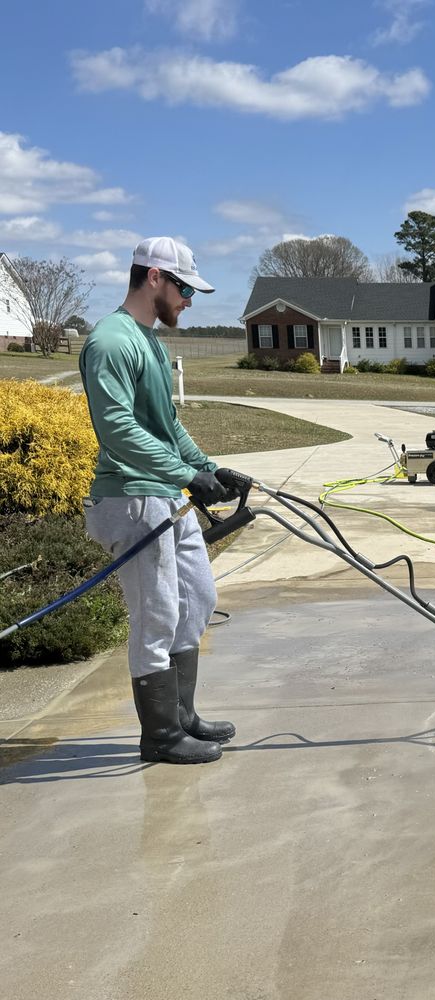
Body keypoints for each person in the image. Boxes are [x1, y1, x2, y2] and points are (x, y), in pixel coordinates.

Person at [80, 236, 239, 765]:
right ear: (155, 278)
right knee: (156, 616)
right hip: (130, 497)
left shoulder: (148, 340)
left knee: (197, 600)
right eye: (185, 289)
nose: (190, 301)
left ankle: (182, 717)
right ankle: (160, 737)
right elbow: (118, 430)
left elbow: (168, 425)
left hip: (165, 494)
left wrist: (208, 467)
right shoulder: (109, 342)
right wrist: (184, 475)